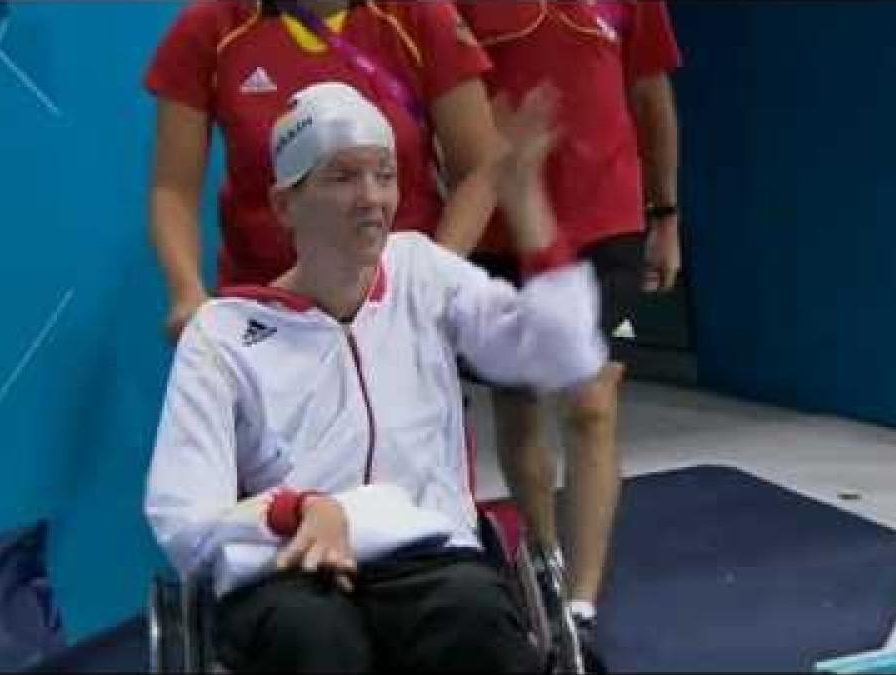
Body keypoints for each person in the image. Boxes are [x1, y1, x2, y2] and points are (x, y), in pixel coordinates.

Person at [144, 82, 606, 672]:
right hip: (292, 566)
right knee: (317, 645)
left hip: (430, 559)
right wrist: (297, 511)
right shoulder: (223, 333)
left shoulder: (423, 273)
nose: (372, 197)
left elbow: (565, 355)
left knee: (475, 624)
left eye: (384, 175)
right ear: (286, 205)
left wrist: (526, 203)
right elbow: (181, 511)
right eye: (342, 177)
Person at [456, 1, 683, 662]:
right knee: (520, 403)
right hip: (502, 223)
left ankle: (580, 601)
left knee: (590, 400)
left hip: (606, 222)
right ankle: (545, 566)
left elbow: (650, 90)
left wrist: (665, 213)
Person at [145, 0, 500, 339]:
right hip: (265, 313)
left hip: (400, 313)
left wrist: (433, 278)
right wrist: (187, 292)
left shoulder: (419, 16)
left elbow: (480, 167)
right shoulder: (210, 27)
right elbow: (173, 189)